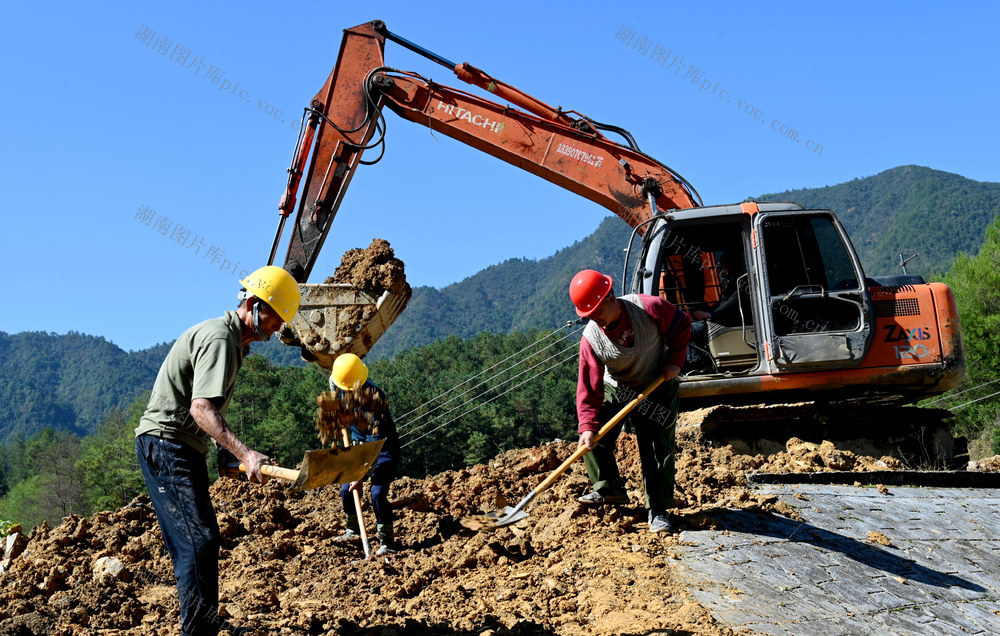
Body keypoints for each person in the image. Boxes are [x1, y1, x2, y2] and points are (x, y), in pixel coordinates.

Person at [134, 265, 300, 636]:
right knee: (197, 542)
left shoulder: (233, 344)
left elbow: (206, 413)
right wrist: (245, 454)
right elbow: (201, 408)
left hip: (182, 446)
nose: (278, 329)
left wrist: (223, 452)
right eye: (276, 318)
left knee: (202, 540)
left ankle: (204, 622)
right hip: (166, 444)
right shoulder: (220, 339)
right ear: (255, 304)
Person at [569, 269, 691, 534]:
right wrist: (588, 425)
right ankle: (608, 489)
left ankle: (658, 508)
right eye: (589, 316)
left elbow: (682, 325)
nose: (595, 320)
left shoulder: (649, 308)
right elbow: (588, 386)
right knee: (592, 437)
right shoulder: (591, 339)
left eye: (597, 312)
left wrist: (674, 361)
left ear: (611, 298)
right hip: (619, 387)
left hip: (657, 382)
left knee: (657, 446)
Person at [330, 353, 401, 556]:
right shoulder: (341, 382)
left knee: (377, 493)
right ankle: (352, 530)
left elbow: (373, 446)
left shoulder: (375, 402)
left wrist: (360, 476)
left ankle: (387, 541)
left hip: (382, 448)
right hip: (357, 444)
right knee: (346, 490)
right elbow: (333, 385)